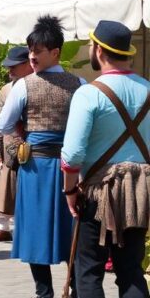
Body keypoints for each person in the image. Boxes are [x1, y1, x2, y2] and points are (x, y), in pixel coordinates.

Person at [0, 15, 84, 298]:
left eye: (38, 51)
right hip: (69, 164)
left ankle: (44, 291)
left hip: (36, 165)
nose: (32, 56)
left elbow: (3, 124)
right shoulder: (80, 83)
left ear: (55, 52)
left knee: (38, 229)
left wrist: (22, 135)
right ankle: (72, 286)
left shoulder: (23, 86)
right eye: (30, 50)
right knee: (72, 227)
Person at [62, 21, 150, 298]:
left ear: (98, 51)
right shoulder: (148, 89)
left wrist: (69, 190)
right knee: (131, 270)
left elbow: (73, 153)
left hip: (98, 191)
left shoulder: (89, 93)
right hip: (139, 191)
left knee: (88, 270)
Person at [0, 46, 32, 243]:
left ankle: (24, 229)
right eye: (8, 66)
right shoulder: (6, 89)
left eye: (14, 66)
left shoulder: (35, 85)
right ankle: (4, 229)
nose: (9, 71)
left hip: (32, 148)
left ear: (27, 64)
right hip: (10, 149)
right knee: (6, 193)